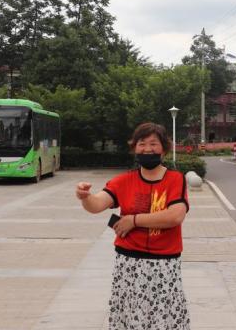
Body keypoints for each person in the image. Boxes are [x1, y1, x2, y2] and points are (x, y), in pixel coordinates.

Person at [75, 122, 190, 330]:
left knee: (163, 319)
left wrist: (134, 220)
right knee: (130, 318)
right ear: (134, 148)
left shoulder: (175, 179)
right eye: (141, 144)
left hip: (163, 264)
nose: (147, 149)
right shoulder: (123, 181)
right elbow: (97, 205)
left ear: (164, 149)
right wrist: (85, 197)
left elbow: (175, 216)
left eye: (153, 144)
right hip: (129, 263)